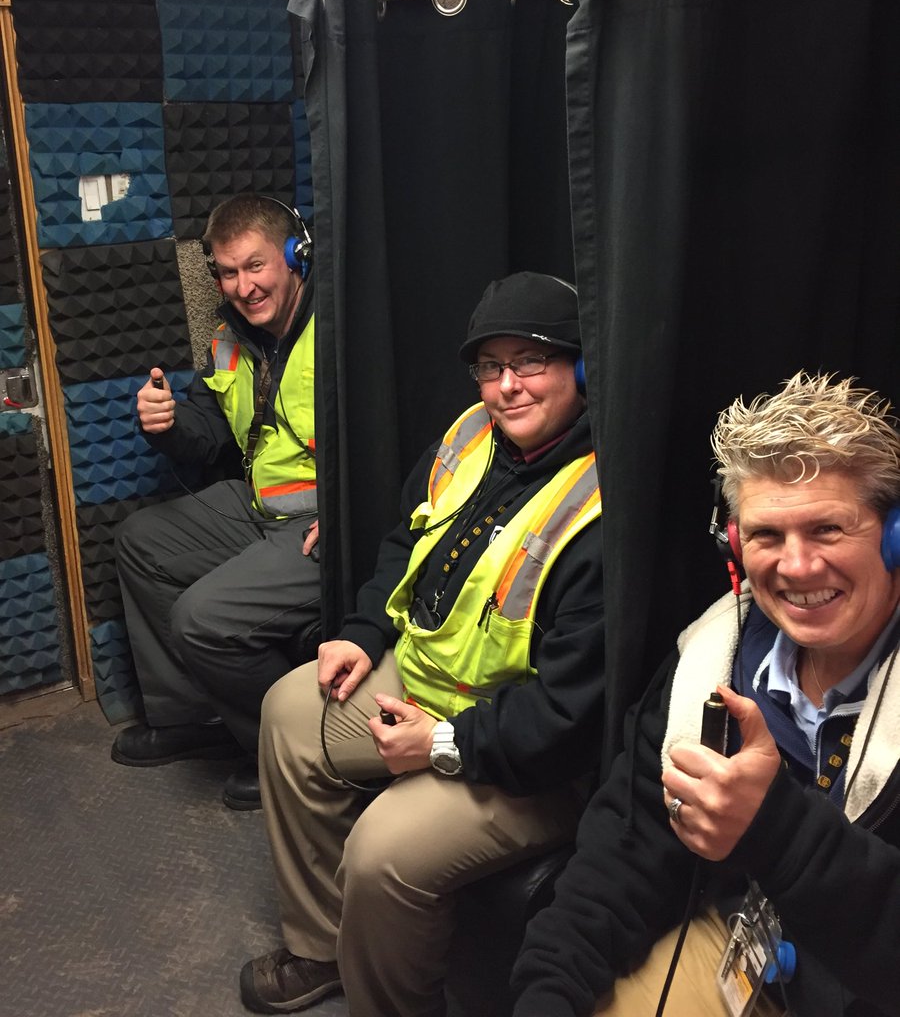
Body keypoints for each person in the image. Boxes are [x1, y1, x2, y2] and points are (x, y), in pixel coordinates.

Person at [239, 272, 607, 1016]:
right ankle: (321, 949)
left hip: (531, 761)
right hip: (426, 686)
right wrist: (364, 632)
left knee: (383, 851)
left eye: (530, 362)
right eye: (491, 367)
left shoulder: (600, 508)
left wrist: (443, 743)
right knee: (287, 710)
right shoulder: (470, 433)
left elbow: (570, 717)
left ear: (581, 368)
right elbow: (405, 541)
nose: (507, 387)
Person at [511, 371, 900, 1017]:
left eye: (828, 530)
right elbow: (624, 852)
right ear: (735, 543)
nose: (796, 567)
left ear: (893, 538)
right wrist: (547, 988)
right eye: (769, 536)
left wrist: (778, 831)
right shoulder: (713, 657)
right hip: (739, 954)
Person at [110, 193, 319, 812]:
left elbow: (398, 436)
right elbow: (207, 434)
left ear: (295, 255)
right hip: (257, 508)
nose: (243, 287)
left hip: (322, 523)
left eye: (255, 266)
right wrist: (168, 422)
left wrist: (353, 511)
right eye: (228, 272)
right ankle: (195, 718)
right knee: (141, 541)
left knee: (200, 615)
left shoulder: (343, 333)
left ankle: (283, 751)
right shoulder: (231, 338)